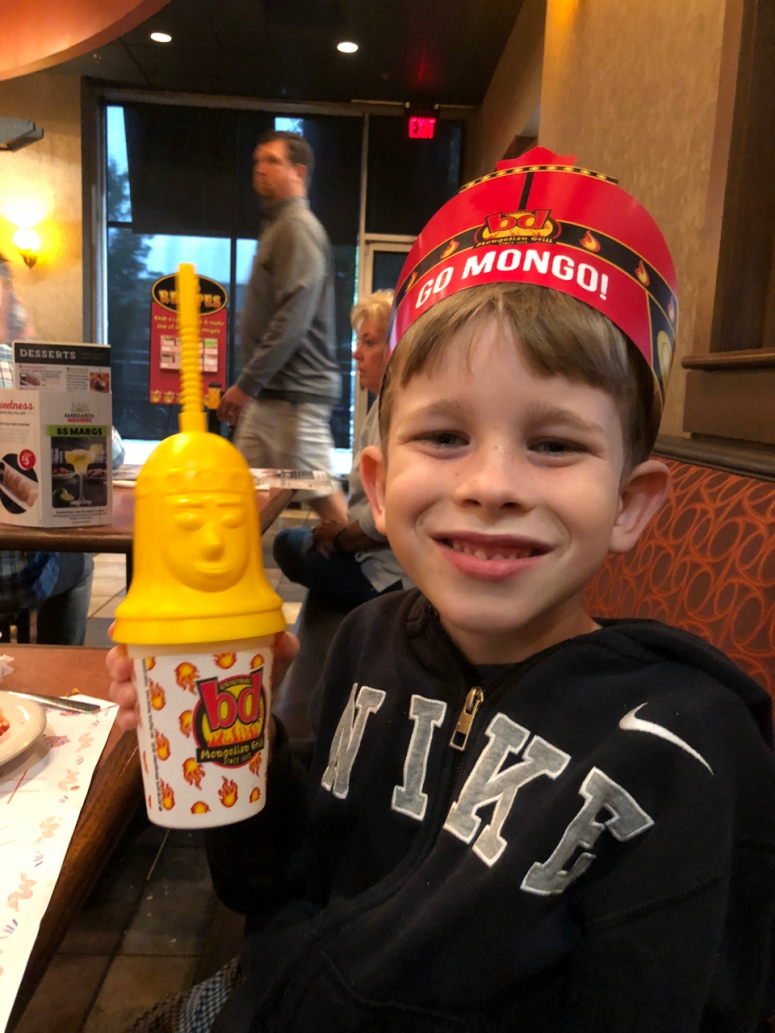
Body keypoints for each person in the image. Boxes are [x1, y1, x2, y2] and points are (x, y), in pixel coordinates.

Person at [108, 148, 775, 1032]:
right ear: (378, 486)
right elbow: (275, 887)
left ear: (629, 502)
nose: (490, 483)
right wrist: (230, 741)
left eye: (554, 443)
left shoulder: (676, 754)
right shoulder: (366, 639)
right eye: (447, 436)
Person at [218, 130, 347, 524]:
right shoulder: (278, 226)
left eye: (272, 161)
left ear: (299, 172)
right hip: (273, 396)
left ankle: (365, 577)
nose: (260, 169)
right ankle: (229, 575)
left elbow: (294, 315)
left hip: (294, 397)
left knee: (320, 494)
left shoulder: (296, 227)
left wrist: (247, 384)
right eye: (257, 161)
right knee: (241, 494)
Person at [272, 290, 411, 610]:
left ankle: (371, 612)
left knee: (288, 544)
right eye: (358, 342)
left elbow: (389, 515)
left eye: (369, 342)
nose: (356, 354)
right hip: (385, 560)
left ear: (398, 348)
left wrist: (338, 538)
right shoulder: (385, 406)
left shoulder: (396, 410)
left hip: (388, 576)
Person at [0, 257, 94, 645]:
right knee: (80, 564)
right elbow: (111, 451)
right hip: (11, 577)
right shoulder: (15, 371)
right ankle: (60, 680)